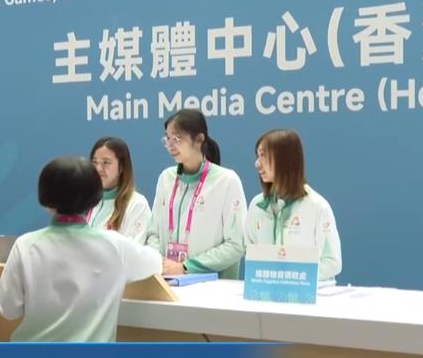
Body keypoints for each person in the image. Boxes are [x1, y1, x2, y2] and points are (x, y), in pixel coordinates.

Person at [0, 156, 162, 358]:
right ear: (95, 199)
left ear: (46, 199)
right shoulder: (115, 245)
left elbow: (7, 307)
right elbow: (154, 262)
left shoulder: (26, 245)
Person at [145, 109, 246, 279]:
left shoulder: (227, 181)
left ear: (199, 139)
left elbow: (236, 244)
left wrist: (186, 267)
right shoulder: (166, 178)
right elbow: (153, 233)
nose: (171, 145)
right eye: (167, 138)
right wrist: (160, 263)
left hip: (212, 286)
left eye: (177, 138)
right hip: (167, 281)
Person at [245, 129, 342, 282]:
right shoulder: (257, 205)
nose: (257, 163)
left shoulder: (317, 207)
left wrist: (292, 277)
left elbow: (332, 262)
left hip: (310, 293)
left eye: (263, 155)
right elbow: (250, 255)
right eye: (257, 156)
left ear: (284, 159)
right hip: (266, 292)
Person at [87, 137, 151, 244]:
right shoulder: (85, 202)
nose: (98, 168)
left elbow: (133, 250)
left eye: (106, 162)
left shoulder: (137, 204)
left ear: (121, 167)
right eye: (95, 162)